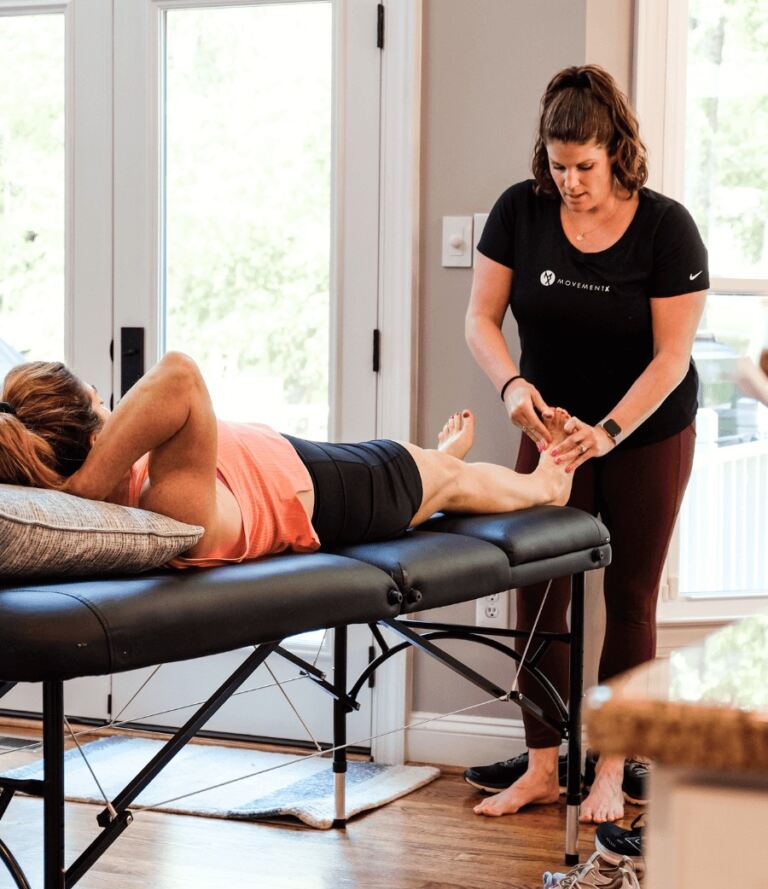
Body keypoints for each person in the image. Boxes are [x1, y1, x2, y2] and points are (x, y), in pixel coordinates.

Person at [464, 64, 708, 824]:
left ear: (616, 152)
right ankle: (544, 765)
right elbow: (480, 320)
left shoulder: (667, 228)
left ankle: (611, 767)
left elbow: (671, 359)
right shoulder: (521, 210)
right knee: (537, 593)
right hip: (550, 434)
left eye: (585, 167)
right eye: (558, 164)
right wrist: (512, 389)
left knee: (629, 596)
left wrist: (605, 434)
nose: (570, 181)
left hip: (642, 433)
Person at [0, 353, 574, 567]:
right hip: (339, 486)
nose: (121, 411)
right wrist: (85, 488)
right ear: (97, 444)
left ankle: (435, 459)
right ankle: (546, 484)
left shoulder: (155, 485)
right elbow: (180, 373)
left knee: (433, 468)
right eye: (106, 407)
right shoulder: (165, 501)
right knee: (449, 479)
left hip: (295, 461)